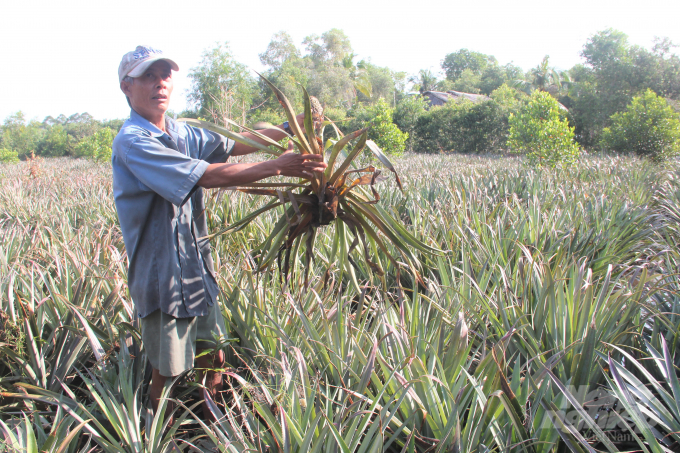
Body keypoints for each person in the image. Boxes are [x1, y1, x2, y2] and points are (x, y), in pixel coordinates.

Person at [113, 45, 326, 418]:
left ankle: (211, 421)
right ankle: (153, 430)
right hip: (161, 276)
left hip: (195, 269)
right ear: (126, 87)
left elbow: (237, 142)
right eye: (148, 76)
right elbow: (207, 176)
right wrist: (277, 167)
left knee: (215, 353)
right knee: (167, 368)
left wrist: (293, 127)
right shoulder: (134, 141)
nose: (159, 83)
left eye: (165, 75)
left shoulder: (180, 132)